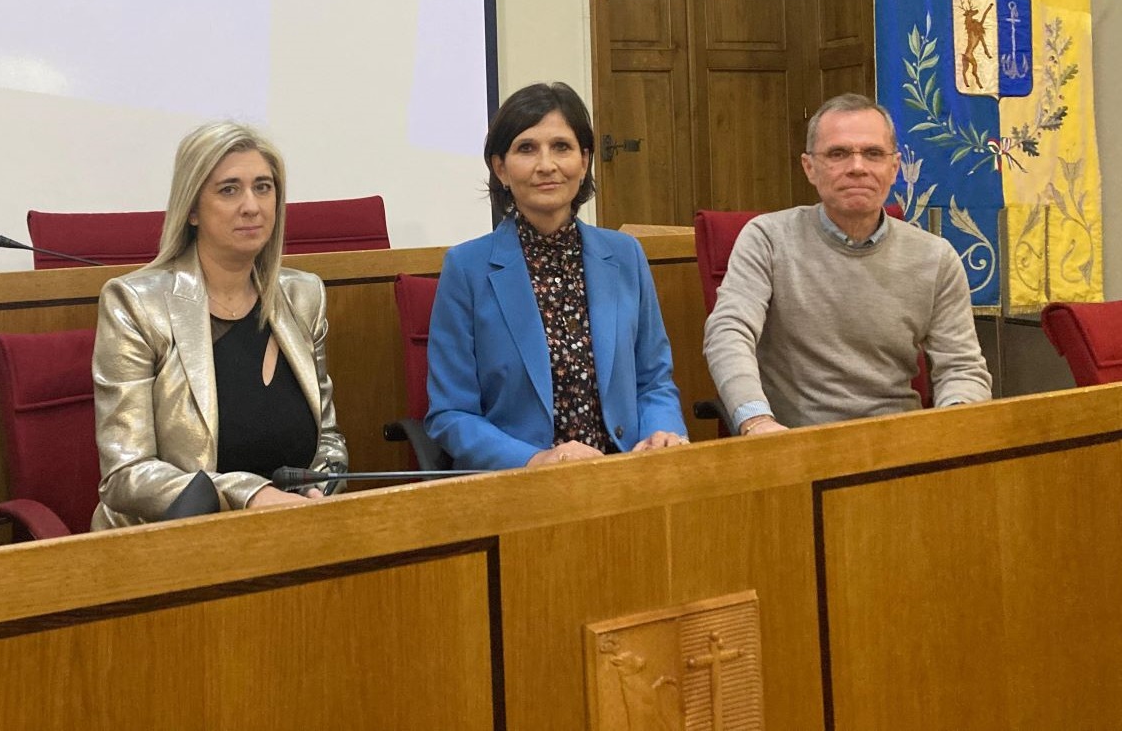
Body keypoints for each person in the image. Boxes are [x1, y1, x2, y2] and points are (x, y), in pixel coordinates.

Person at [91, 122, 347, 526]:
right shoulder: (136, 304)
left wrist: (320, 489)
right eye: (229, 189)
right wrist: (249, 495)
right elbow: (126, 476)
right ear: (192, 208)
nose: (252, 205)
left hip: (292, 531)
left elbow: (328, 439)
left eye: (263, 187)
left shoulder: (303, 296)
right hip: (178, 542)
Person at [425, 82, 688, 470]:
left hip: (627, 471)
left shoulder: (625, 254)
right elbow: (450, 414)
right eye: (526, 148)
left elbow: (654, 381)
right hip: (526, 482)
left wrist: (661, 431)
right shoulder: (466, 268)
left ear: (583, 162)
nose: (546, 164)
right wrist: (536, 459)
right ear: (500, 168)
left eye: (562, 147)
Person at [703, 93, 993, 436]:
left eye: (873, 153)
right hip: (794, 442)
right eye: (838, 154)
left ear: (894, 167)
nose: (857, 167)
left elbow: (962, 367)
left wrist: (952, 426)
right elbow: (728, 334)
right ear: (809, 168)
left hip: (899, 442)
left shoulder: (936, 257)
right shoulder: (767, 239)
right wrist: (755, 420)